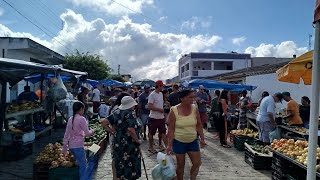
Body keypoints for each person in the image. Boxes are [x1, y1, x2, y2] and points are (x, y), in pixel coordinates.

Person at [166, 89, 206, 180]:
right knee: (180, 166)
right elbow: (171, 129)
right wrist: (169, 145)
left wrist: (202, 138)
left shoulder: (195, 109)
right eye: (190, 97)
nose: (193, 99)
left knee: (197, 163)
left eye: (194, 97)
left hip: (192, 141)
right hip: (178, 141)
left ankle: (192, 178)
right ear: (182, 98)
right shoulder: (174, 110)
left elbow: (199, 124)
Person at [105, 96, 141, 180]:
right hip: (130, 144)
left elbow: (103, 122)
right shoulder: (129, 114)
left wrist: (112, 131)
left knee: (120, 163)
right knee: (130, 164)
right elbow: (130, 129)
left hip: (118, 143)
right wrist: (137, 140)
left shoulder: (116, 112)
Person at [62, 101, 94, 180]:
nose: (83, 111)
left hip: (71, 146)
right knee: (84, 166)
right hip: (78, 146)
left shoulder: (70, 119)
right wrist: (92, 131)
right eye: (83, 109)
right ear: (81, 109)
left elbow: (66, 134)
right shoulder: (81, 119)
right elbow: (87, 133)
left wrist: (64, 148)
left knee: (81, 164)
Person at [148, 80, 167, 153]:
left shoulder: (161, 94)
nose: (163, 88)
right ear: (159, 86)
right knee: (151, 133)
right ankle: (150, 147)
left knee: (162, 132)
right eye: (162, 86)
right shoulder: (152, 95)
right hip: (153, 117)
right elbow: (150, 106)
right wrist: (159, 110)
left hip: (161, 117)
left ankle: (161, 145)